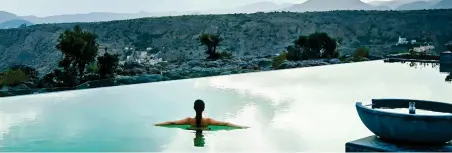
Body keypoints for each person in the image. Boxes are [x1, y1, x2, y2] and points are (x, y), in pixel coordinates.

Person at [154, 99, 249, 129]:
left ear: (194, 108)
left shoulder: (189, 120)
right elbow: (226, 124)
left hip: (192, 129)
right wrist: (241, 127)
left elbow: (172, 123)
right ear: (203, 109)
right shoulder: (208, 121)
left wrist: (157, 124)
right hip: (205, 129)